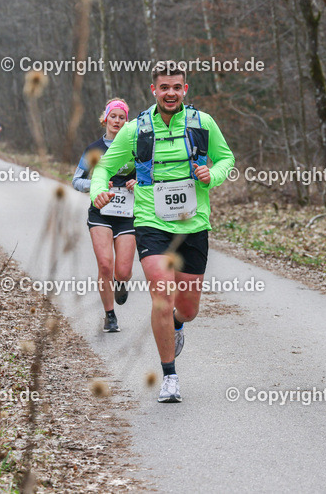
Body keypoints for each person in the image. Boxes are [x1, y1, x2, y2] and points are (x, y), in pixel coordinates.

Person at [91, 64, 235, 403]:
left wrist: (211, 174)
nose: (170, 92)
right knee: (161, 293)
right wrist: (99, 188)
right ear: (153, 90)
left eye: (176, 87)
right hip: (152, 223)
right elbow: (105, 167)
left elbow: (226, 158)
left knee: (186, 308)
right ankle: (169, 376)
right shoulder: (136, 129)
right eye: (164, 87)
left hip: (194, 225)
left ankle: (177, 324)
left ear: (185, 89)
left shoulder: (202, 123)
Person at [72, 99, 137, 333]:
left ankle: (121, 283)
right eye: (114, 116)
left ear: (126, 122)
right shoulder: (93, 149)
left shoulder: (135, 147)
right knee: (105, 264)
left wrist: (136, 182)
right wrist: (94, 185)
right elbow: (75, 180)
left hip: (128, 213)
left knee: (123, 271)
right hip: (101, 212)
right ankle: (110, 315)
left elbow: (150, 176)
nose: (117, 121)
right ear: (105, 119)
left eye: (122, 117)